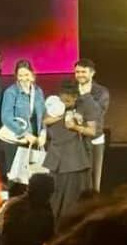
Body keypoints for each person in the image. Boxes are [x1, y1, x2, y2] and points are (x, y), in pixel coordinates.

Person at [43, 79, 102, 220]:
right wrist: (62, 115)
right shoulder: (53, 105)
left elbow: (92, 131)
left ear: (76, 97)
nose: (66, 102)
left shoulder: (85, 106)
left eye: (70, 100)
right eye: (64, 99)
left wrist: (76, 127)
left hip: (74, 160)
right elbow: (45, 121)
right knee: (55, 199)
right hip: (56, 159)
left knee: (72, 199)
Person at [0, 59, 47, 181]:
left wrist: (43, 133)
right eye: (20, 75)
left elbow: (43, 114)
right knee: (17, 178)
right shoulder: (11, 92)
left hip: (34, 140)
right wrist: (25, 133)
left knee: (33, 177)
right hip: (17, 141)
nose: (23, 78)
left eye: (26, 74)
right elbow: (6, 117)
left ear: (32, 74)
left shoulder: (38, 91)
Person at [73, 59, 109, 191]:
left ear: (92, 73)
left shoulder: (101, 92)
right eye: (77, 72)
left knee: (93, 181)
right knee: (77, 180)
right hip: (75, 138)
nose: (80, 75)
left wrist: (86, 96)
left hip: (95, 139)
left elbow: (97, 113)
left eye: (84, 72)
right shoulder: (71, 89)